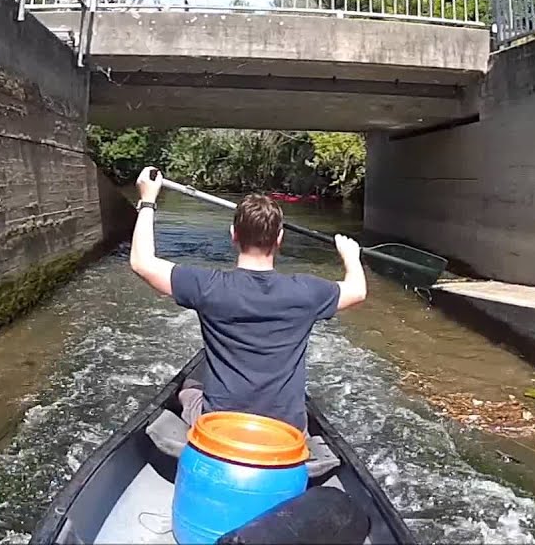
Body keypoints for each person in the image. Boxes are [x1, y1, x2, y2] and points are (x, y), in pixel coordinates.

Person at [128, 167, 368, 433]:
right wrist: (350, 256)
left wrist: (147, 200)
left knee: (189, 389)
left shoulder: (207, 286)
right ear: (280, 239)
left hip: (222, 427)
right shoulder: (307, 292)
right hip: (285, 431)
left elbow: (142, 262)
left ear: (233, 235)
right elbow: (357, 291)